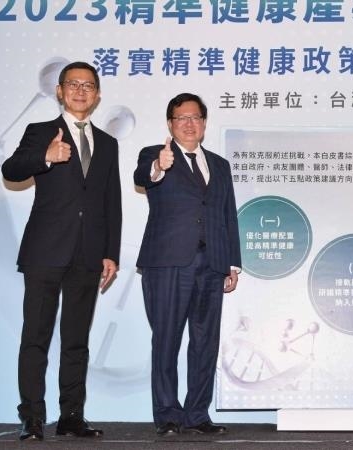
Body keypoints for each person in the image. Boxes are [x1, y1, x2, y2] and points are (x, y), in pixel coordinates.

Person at [1, 61, 122, 441]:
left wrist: (111, 252)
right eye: (73, 84)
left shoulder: (108, 143)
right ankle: (32, 416)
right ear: (59, 91)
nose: (80, 91)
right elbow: (11, 170)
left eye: (88, 85)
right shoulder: (40, 132)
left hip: (88, 255)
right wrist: (45, 157)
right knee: (35, 337)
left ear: (97, 95)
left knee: (76, 341)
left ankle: (71, 415)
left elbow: (111, 200)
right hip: (45, 251)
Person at [134, 93, 241, 436]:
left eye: (195, 117)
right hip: (168, 264)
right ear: (170, 124)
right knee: (166, 339)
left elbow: (227, 214)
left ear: (205, 123)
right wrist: (159, 166)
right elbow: (143, 175)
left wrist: (232, 262)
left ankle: (197, 414)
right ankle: (168, 414)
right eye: (181, 118)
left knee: (205, 342)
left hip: (213, 264)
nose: (189, 123)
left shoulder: (219, 165)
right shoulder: (155, 155)